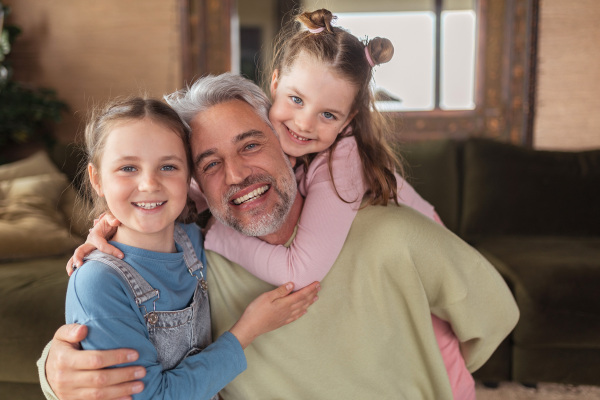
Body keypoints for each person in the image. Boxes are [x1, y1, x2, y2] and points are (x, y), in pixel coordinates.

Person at [39, 73, 519, 400]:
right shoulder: (203, 255)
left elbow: (492, 316)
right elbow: (131, 321)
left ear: (291, 145)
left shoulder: (393, 234)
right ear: (195, 185)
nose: (237, 174)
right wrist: (54, 372)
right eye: (210, 163)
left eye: (251, 144)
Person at [186, 9, 474, 399]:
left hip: (419, 273)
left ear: (348, 119)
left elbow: (302, 270)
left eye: (327, 114)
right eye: (296, 99)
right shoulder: (271, 134)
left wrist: (219, 238)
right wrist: (112, 226)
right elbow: (200, 183)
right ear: (274, 82)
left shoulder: (342, 158)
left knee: (435, 361)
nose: (304, 124)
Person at [53, 96, 320, 400]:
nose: (149, 184)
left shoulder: (194, 238)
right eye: (128, 168)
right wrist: (247, 330)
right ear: (97, 180)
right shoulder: (97, 283)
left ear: (189, 178)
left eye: (168, 166)